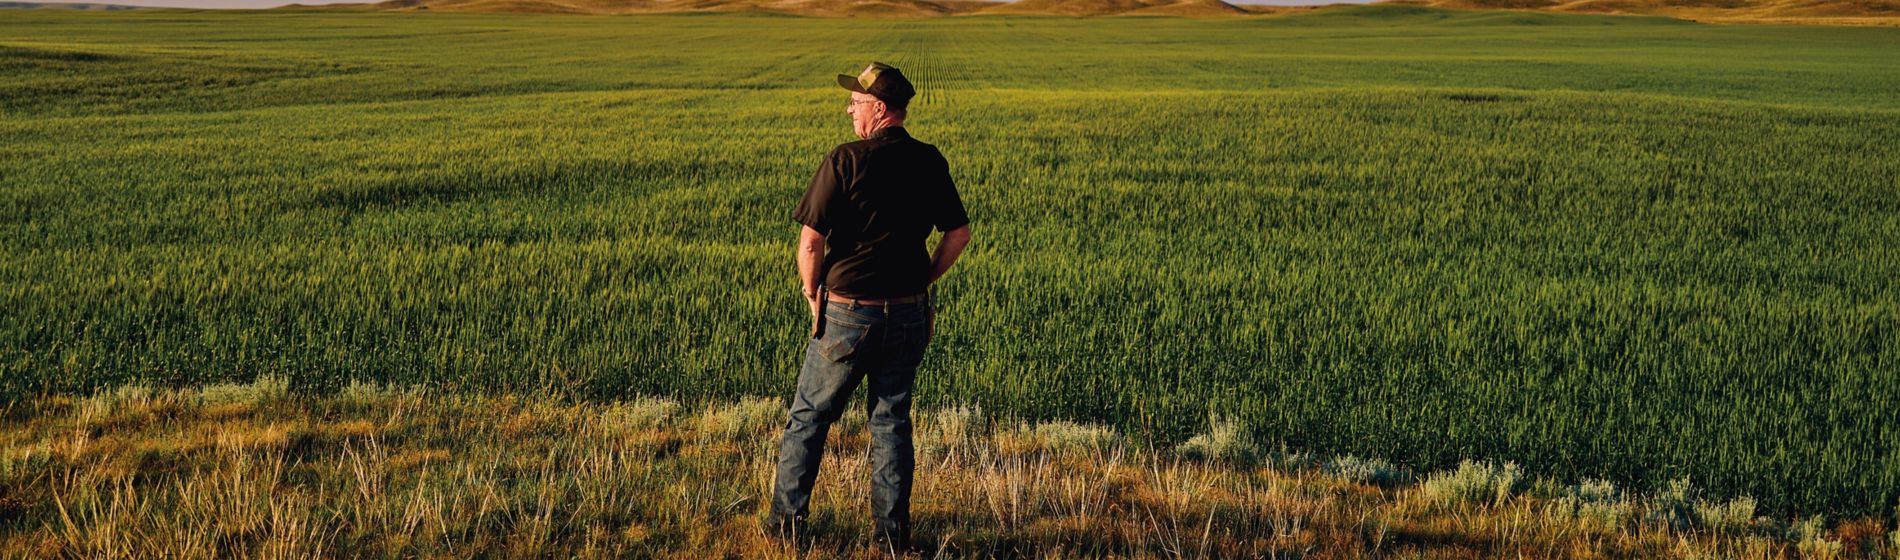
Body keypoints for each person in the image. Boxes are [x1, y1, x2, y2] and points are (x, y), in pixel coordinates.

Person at [765, 61, 973, 554]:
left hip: (847, 312)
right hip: (907, 312)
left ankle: (786, 530)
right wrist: (922, 280)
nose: (849, 109)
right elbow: (958, 233)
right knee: (891, 422)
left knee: (809, 418)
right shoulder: (929, 160)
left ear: (879, 109)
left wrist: (812, 295)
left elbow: (810, 243)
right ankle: (891, 539)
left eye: (856, 102)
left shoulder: (845, 160)